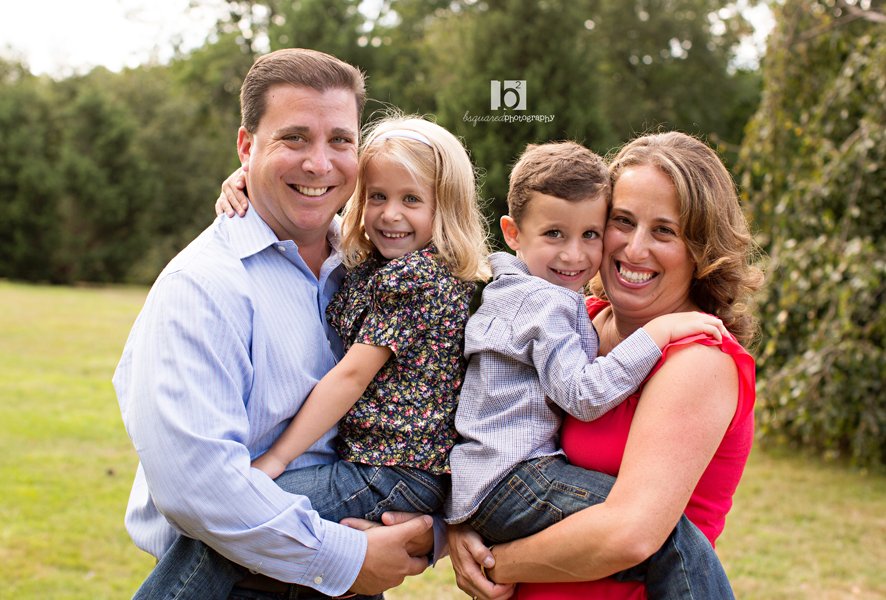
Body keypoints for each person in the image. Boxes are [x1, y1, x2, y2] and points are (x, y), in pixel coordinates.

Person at [114, 49, 439, 600]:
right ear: (247, 147)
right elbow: (198, 488)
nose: (320, 163)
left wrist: (432, 530)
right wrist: (345, 557)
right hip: (240, 585)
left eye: (340, 140)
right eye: (294, 138)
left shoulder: (377, 265)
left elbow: (452, 380)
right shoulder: (200, 286)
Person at [448, 131, 763, 600]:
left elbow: (630, 535)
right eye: (622, 221)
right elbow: (489, 414)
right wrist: (466, 521)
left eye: (664, 230)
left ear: (700, 248)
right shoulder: (575, 321)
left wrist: (493, 561)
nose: (634, 249)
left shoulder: (698, 358)